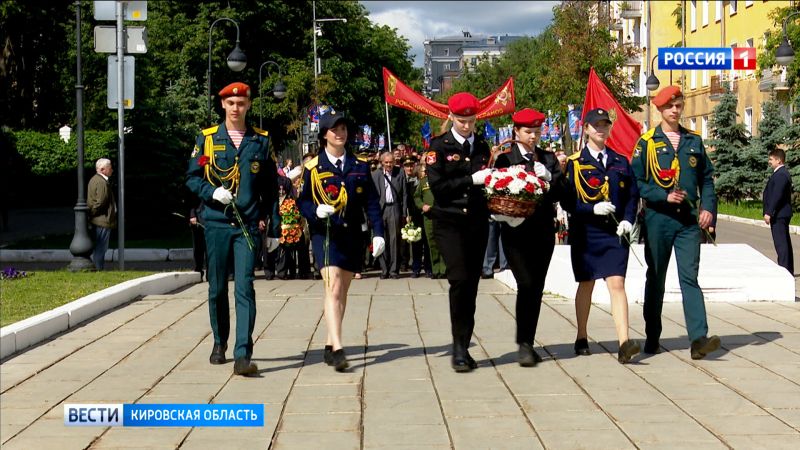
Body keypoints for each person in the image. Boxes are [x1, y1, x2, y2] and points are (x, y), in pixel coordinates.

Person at [186, 82, 280, 376]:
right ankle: (219, 341)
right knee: (216, 289)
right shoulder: (208, 140)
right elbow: (192, 178)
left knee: (245, 288)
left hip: (247, 225)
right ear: (222, 105)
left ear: (249, 105)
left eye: (241, 103)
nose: (236, 108)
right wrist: (211, 192)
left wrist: (274, 228)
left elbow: (270, 188)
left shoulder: (261, 141)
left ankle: (243, 353)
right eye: (231, 103)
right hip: (215, 223)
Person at [631, 85, 721, 360]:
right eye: (669, 106)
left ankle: (698, 340)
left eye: (679, 106)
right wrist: (662, 195)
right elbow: (637, 183)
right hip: (659, 219)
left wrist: (709, 209)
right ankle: (653, 336)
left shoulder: (694, 141)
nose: (674, 110)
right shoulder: (647, 143)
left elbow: (706, 178)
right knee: (656, 278)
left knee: (689, 278)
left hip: (689, 221)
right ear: (659, 109)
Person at [297, 108, 385, 371]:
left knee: (341, 291)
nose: (340, 133)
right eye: (335, 129)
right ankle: (337, 347)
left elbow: (371, 203)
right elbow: (302, 202)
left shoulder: (359, 166)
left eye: (344, 129)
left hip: (352, 235)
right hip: (325, 234)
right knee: (333, 285)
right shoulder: (313, 167)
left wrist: (378, 232)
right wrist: (315, 211)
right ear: (324, 134)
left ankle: (328, 342)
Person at [563, 108, 641, 363]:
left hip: (614, 232)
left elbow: (631, 194)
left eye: (605, 124)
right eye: (595, 125)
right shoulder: (575, 163)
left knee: (617, 283)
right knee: (587, 283)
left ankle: (624, 343)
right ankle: (582, 335)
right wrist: (590, 208)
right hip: (586, 233)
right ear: (585, 129)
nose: (601, 129)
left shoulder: (620, 160)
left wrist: (629, 219)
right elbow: (568, 202)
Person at [426, 92, 493, 372]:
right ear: (451, 117)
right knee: (459, 280)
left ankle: (464, 345)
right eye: (462, 120)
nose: (466, 125)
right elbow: (439, 189)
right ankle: (458, 347)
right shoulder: (439, 147)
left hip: (477, 222)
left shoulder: (483, 147)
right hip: (450, 222)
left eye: (471, 120)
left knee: (473, 285)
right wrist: (470, 180)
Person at [492, 108, 563, 366]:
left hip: (542, 231)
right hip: (515, 231)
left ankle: (527, 342)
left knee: (536, 287)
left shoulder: (548, 158)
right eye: (527, 132)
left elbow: (562, 193)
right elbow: (494, 190)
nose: (532, 137)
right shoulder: (505, 159)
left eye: (536, 131)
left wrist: (550, 177)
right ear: (516, 132)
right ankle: (524, 343)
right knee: (526, 283)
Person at [372, 151, 407, 279]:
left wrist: (404, 212)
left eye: (391, 162)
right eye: (386, 162)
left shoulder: (400, 172)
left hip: (394, 208)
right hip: (380, 209)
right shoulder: (375, 175)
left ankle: (393, 270)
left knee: (394, 240)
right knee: (381, 239)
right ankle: (384, 269)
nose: (389, 165)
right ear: (381, 163)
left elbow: (404, 194)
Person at [763, 148, 794, 274]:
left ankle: (784, 270)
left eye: (771, 159)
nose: (769, 161)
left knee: (781, 245)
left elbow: (777, 194)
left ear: (779, 160)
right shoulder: (781, 173)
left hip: (779, 214)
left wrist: (769, 212)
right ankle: (787, 270)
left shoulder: (781, 174)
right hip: (781, 214)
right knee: (784, 243)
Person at [413, 162, 445, 278]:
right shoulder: (423, 181)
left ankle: (444, 269)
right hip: (429, 216)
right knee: (432, 243)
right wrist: (422, 206)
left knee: (443, 243)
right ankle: (436, 269)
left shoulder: (442, 179)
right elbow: (417, 197)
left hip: (441, 215)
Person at [87, 158, 117, 271]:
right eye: (110, 168)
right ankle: (98, 268)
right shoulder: (101, 182)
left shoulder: (97, 180)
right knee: (101, 247)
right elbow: (101, 202)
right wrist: (93, 214)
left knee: (100, 246)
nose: (112, 170)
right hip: (102, 220)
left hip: (99, 219)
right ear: (102, 169)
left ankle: (98, 267)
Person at [188, 196, 206, 280]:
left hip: (212, 218)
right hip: (198, 217)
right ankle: (198, 271)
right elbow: (191, 199)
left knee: (211, 249)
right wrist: (192, 214)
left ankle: (211, 274)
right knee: (198, 247)